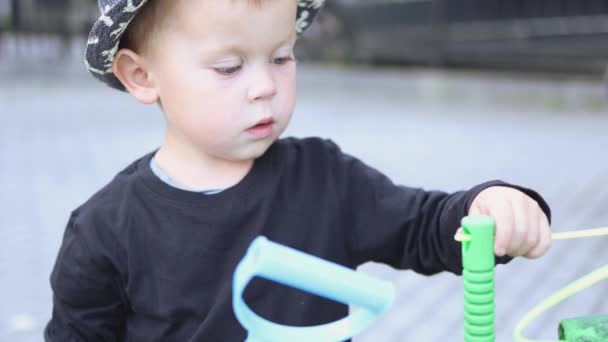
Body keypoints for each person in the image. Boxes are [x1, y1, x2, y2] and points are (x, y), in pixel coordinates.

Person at [45, 0, 552, 340]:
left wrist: (490, 206)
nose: (264, 85)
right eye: (228, 67)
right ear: (142, 75)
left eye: (282, 57)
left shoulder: (326, 179)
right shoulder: (103, 231)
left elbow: (425, 225)